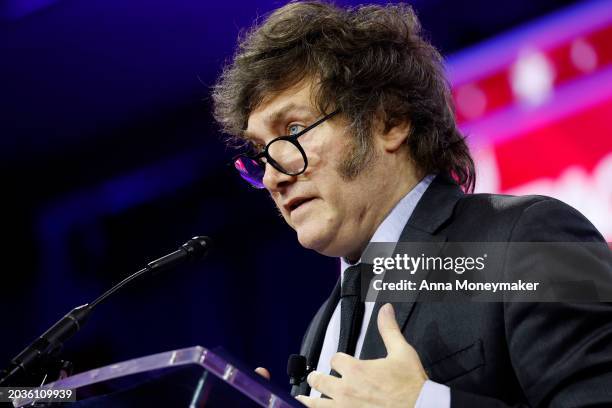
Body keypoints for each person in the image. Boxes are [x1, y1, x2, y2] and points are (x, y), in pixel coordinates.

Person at [212, 1, 612, 407]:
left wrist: (426, 403)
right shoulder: (323, 326)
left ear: (390, 122)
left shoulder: (526, 239)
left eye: (294, 130)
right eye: (261, 152)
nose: (272, 176)